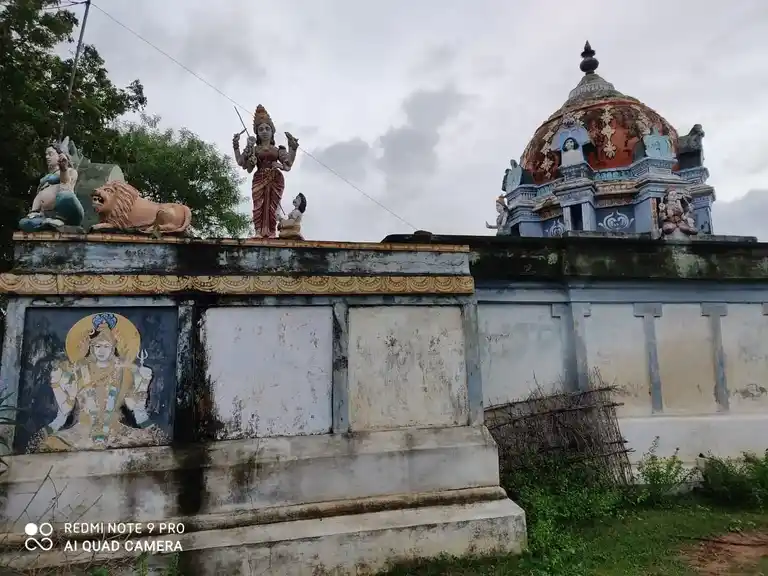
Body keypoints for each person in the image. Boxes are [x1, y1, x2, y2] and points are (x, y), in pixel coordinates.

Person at [233, 105, 299, 238]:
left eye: (267, 129)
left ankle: (271, 232)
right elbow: (242, 163)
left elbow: (288, 165)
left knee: (272, 207)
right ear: (257, 132)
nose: (264, 131)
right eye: (261, 129)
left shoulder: (278, 149)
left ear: (272, 132)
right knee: (259, 206)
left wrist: (292, 149)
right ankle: (258, 232)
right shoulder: (255, 149)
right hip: (259, 178)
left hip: (276, 179)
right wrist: (236, 146)